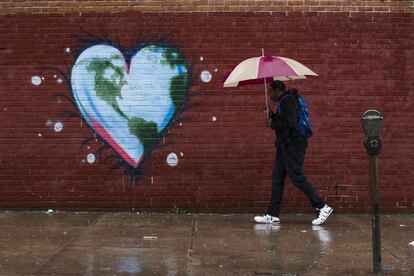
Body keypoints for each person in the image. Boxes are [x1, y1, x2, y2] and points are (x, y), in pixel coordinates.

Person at [254, 80, 332, 225]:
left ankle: (322, 206)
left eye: (270, 91)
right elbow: (285, 120)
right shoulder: (285, 101)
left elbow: (291, 123)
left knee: (296, 176)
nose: (269, 94)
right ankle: (272, 214)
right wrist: (271, 114)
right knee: (277, 178)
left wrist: (273, 124)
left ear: (278, 90)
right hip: (285, 145)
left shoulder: (288, 101)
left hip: (294, 145)